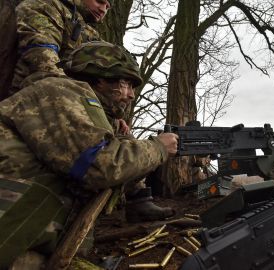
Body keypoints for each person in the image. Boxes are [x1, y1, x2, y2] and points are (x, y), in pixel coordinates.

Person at [0, 41, 177, 268]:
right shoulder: (59, 92)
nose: (132, 95)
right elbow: (100, 165)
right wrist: (158, 147)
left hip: (23, 233)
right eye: (127, 83)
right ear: (101, 77)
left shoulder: (80, 105)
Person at [11, 0, 111, 93]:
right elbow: (42, 59)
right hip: (25, 95)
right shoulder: (45, 6)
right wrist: (80, 94)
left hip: (62, 95)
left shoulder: (88, 31)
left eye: (107, 7)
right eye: (99, 1)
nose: (103, 9)